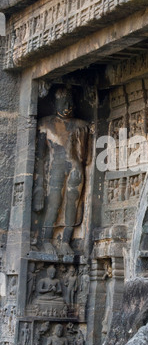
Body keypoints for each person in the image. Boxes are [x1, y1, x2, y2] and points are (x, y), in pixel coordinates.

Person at [32, 86, 93, 255]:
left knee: (72, 204)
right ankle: (45, 240)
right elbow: (39, 157)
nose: (68, 106)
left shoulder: (81, 126)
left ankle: (66, 241)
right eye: (64, 102)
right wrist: (38, 183)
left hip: (75, 168)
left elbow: (85, 157)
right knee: (54, 202)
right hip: (55, 168)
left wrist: (83, 139)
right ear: (55, 103)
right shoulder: (46, 123)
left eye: (70, 102)